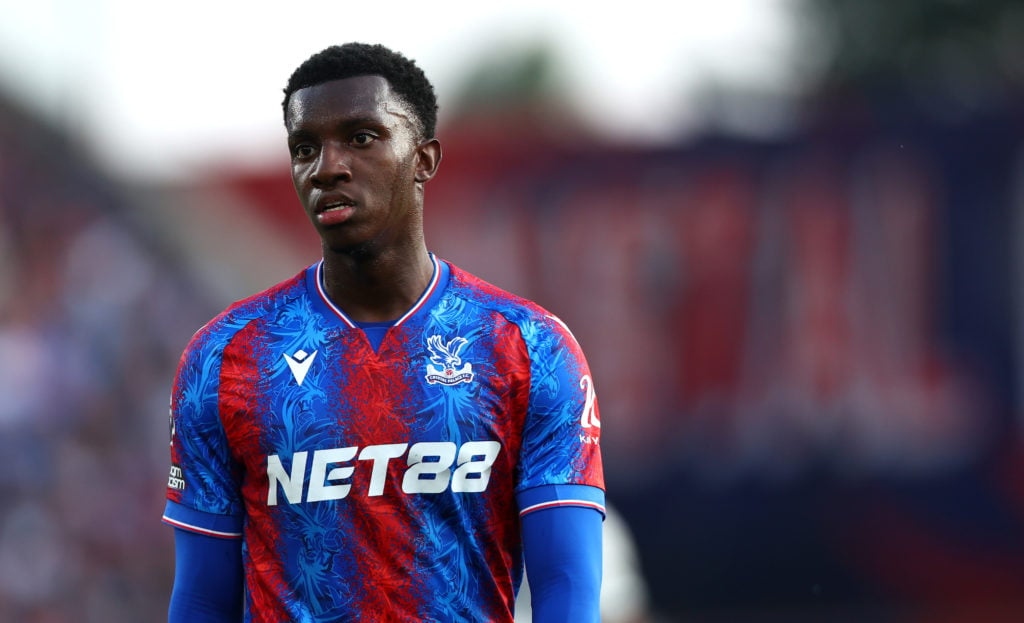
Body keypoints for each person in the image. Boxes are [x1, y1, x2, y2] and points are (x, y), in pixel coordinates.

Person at [161, 42, 605, 622]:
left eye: (361, 138)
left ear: (424, 158)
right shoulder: (224, 358)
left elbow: (567, 589)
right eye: (305, 148)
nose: (327, 167)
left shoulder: (530, 349)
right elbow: (200, 598)